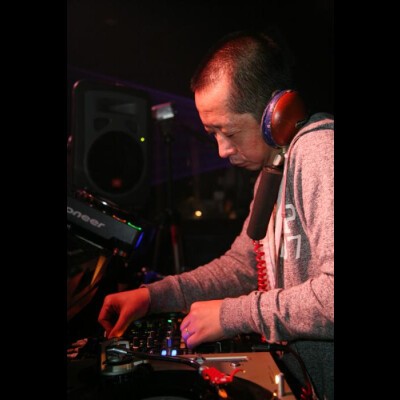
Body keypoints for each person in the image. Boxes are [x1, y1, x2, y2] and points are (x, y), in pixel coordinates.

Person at [98, 30, 334, 399]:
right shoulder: (274, 169)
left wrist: (231, 315)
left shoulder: (320, 153)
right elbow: (243, 266)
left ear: (276, 113)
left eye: (227, 131)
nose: (222, 150)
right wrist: (153, 297)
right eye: (213, 134)